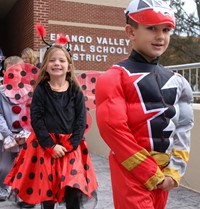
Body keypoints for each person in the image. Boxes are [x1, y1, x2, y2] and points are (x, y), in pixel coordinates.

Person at [95, 0, 194, 209]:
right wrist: (150, 173)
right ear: (131, 32)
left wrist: (175, 171)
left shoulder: (179, 81)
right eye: (151, 28)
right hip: (130, 171)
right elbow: (113, 130)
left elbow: (184, 127)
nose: (160, 36)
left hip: (165, 172)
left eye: (166, 29)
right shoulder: (113, 77)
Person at [4, 44, 98, 209]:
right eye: (52, 60)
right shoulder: (41, 90)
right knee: (47, 190)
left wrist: (70, 145)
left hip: (71, 148)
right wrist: (51, 145)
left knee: (73, 190)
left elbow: (81, 120)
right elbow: (37, 119)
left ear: (69, 67)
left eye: (61, 60)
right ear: (46, 65)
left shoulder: (75, 90)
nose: (57, 63)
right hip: (46, 147)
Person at [0, 56, 35, 208]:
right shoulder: (1, 92)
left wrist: (26, 132)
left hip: (25, 135)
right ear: (3, 72)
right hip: (6, 134)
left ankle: (23, 193)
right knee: (4, 166)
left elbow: (32, 113)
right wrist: (7, 134)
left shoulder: (28, 91)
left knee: (25, 165)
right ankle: (3, 187)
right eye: (11, 72)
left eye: (19, 72)